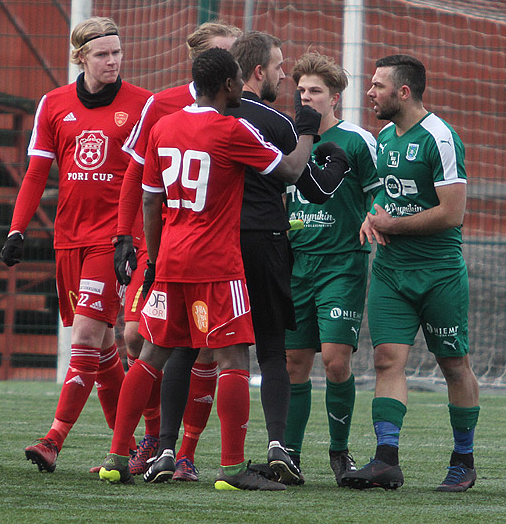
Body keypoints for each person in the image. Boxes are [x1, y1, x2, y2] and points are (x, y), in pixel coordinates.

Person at [98, 47, 321, 491]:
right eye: (239, 79)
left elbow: (148, 198)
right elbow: (294, 170)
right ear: (227, 86)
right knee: (234, 357)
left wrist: (156, 259)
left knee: (152, 355)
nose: (244, 86)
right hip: (217, 264)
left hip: (171, 257)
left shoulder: (164, 126)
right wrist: (308, 129)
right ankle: (233, 470)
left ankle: (117, 457)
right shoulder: (230, 129)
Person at [141, 35, 350, 485]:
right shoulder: (273, 120)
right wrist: (327, 150)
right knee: (270, 350)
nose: (282, 75)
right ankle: (276, 449)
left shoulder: (186, 119)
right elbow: (307, 181)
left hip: (194, 247)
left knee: (182, 347)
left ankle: (162, 448)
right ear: (255, 73)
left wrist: (150, 258)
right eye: (278, 67)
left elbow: (147, 196)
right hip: (257, 244)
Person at [1, 17, 152, 474]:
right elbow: (35, 173)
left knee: (84, 338)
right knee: (103, 347)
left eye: (118, 52)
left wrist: (133, 237)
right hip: (69, 239)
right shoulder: (54, 103)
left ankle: (54, 438)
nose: (114, 61)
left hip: (116, 240)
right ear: (80, 57)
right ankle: (130, 448)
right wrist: (16, 229)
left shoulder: (143, 104)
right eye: (103, 53)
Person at [342, 54, 480, 492]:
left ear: (403, 92)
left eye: (378, 85)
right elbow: (384, 195)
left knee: (453, 364)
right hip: (390, 271)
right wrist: (372, 215)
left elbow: (452, 214)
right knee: (386, 360)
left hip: (438, 272)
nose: (369, 92)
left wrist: (391, 225)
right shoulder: (384, 137)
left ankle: (463, 461)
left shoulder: (441, 137)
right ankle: (386, 460)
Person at [113, 21, 241, 476]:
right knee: (136, 337)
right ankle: (151, 442)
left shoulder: (240, 113)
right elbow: (137, 173)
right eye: (227, 55)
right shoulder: (163, 105)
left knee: (205, 350)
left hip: (210, 247)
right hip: (163, 244)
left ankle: (183, 452)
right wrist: (125, 236)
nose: (235, 65)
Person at [283, 51, 381, 486]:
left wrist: (372, 215)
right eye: (301, 90)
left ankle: (340, 453)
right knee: (293, 362)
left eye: (315, 91)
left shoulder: (358, 141)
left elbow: (382, 193)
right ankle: (289, 456)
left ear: (334, 97)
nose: (306, 97)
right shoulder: (286, 138)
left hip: (342, 262)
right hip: (296, 264)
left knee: (335, 361)